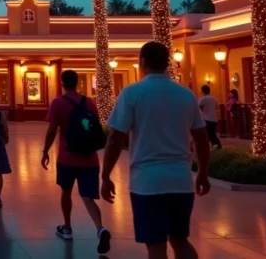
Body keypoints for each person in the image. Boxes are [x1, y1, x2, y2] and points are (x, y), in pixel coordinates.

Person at [102, 42, 210, 259]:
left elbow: (115, 138)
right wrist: (202, 173)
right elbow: (202, 139)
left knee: (155, 245)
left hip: (147, 183)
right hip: (181, 180)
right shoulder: (186, 95)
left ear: (142, 62)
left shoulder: (132, 93)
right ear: (167, 62)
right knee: (180, 240)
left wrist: (105, 175)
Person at [42, 70, 111, 254]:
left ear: (62, 83)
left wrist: (45, 151)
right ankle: (100, 229)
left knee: (66, 192)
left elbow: (52, 130)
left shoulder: (58, 102)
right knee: (88, 197)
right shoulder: (89, 102)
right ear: (77, 82)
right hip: (89, 158)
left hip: (67, 158)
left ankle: (67, 228)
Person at [197, 85, 223, 149]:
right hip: (214, 119)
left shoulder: (202, 99)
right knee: (212, 134)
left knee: (209, 135)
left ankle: (217, 146)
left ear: (202, 91)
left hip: (206, 119)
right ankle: (216, 146)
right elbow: (216, 108)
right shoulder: (214, 99)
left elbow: (198, 108)